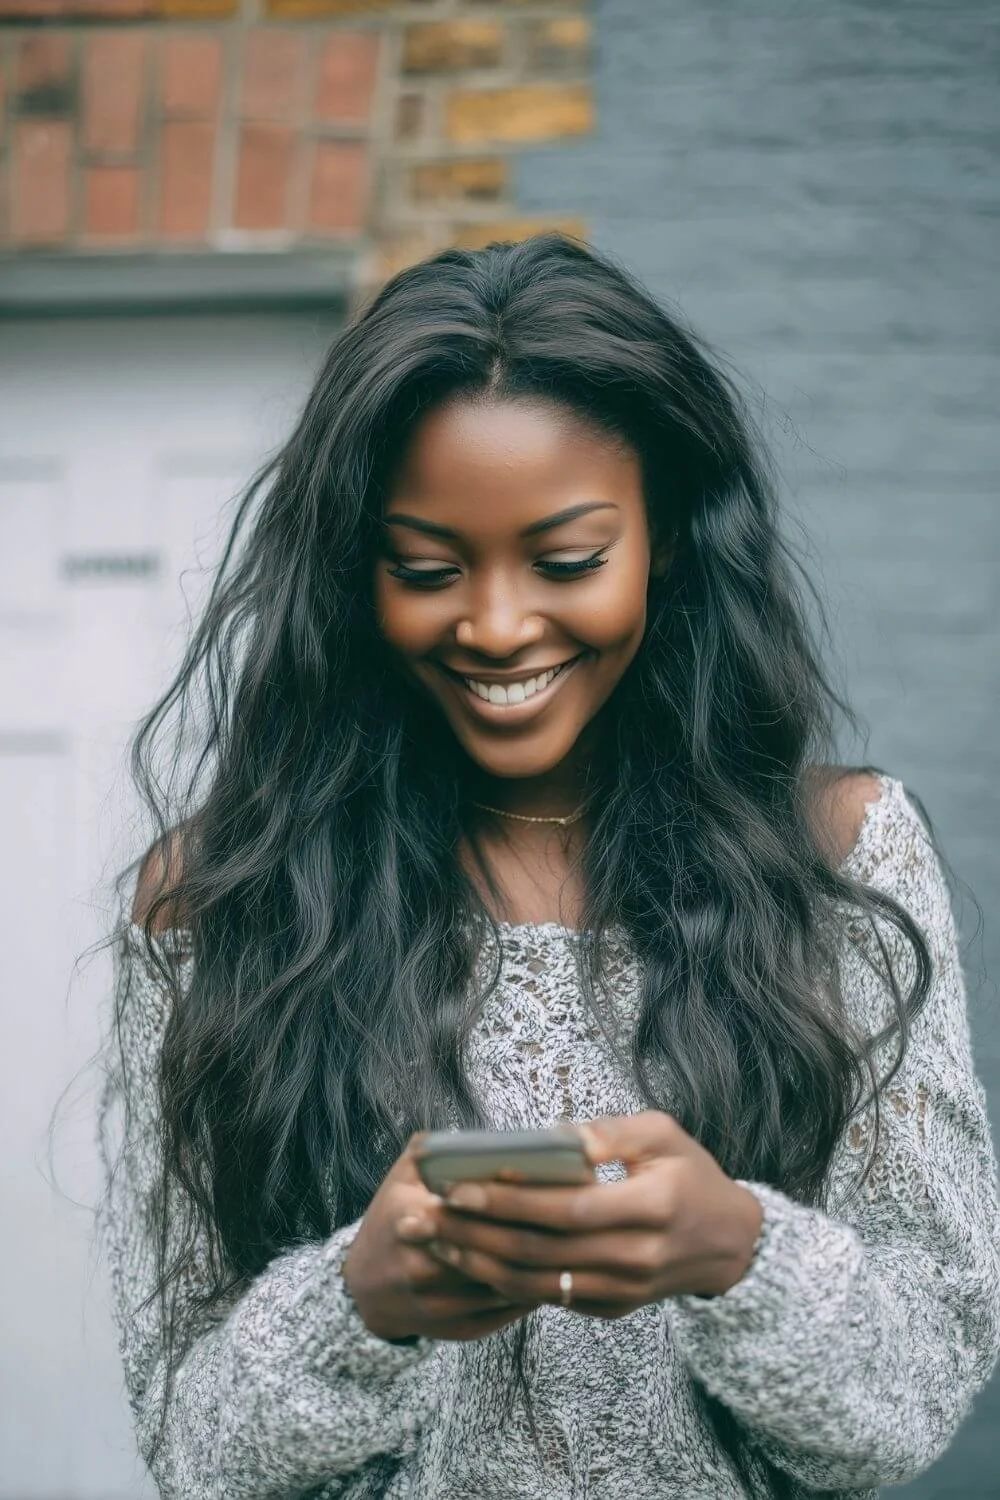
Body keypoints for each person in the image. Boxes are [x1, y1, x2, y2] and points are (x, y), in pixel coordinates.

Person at [96, 233, 1000, 1500]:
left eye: (567, 561)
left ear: (669, 536)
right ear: (355, 572)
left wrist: (735, 1253)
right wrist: (360, 1302)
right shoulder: (217, 901)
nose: (497, 625)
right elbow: (193, 1454)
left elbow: (913, 1404)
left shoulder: (839, 858)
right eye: (426, 569)